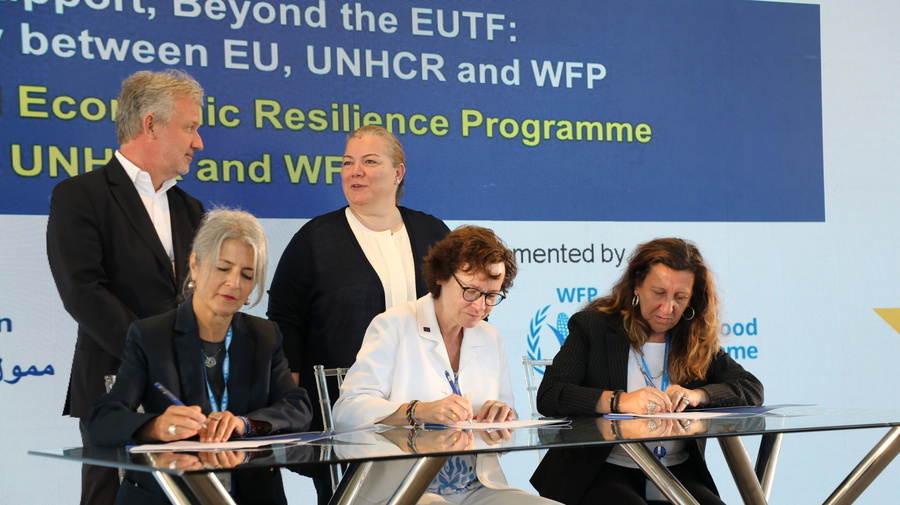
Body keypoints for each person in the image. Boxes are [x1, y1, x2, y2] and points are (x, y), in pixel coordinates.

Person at [46, 69, 206, 505]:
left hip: (185, 393)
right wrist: (152, 357)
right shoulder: (80, 195)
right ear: (150, 124)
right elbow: (83, 292)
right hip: (113, 387)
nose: (199, 142)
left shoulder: (190, 208)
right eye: (190, 127)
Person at [89, 208, 313, 505]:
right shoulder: (150, 335)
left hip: (250, 492)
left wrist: (245, 424)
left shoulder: (265, 335)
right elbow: (104, 420)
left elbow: (298, 406)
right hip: (169, 493)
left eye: (247, 275)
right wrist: (157, 426)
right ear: (195, 265)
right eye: (223, 268)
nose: (234, 283)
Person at [333, 225, 557, 505]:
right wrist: (419, 411)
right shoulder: (394, 325)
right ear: (441, 277)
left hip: (477, 487)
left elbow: (506, 434)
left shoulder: (490, 338)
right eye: (471, 291)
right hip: (404, 489)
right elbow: (347, 410)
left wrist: (500, 419)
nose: (480, 307)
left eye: (491, 296)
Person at [531, 238, 764, 505]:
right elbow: (551, 394)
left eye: (680, 297)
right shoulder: (594, 326)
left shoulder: (695, 339)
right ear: (637, 285)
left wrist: (697, 395)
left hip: (676, 469)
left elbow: (751, 388)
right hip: (599, 470)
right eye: (659, 293)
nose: (667, 309)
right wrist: (620, 400)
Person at [267, 124, 449, 431]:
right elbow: (286, 321)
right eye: (347, 162)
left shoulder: (434, 234)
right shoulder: (314, 239)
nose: (355, 171)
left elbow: (463, 311)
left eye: (370, 161)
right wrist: (286, 403)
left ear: (398, 173)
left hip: (431, 406)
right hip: (346, 413)